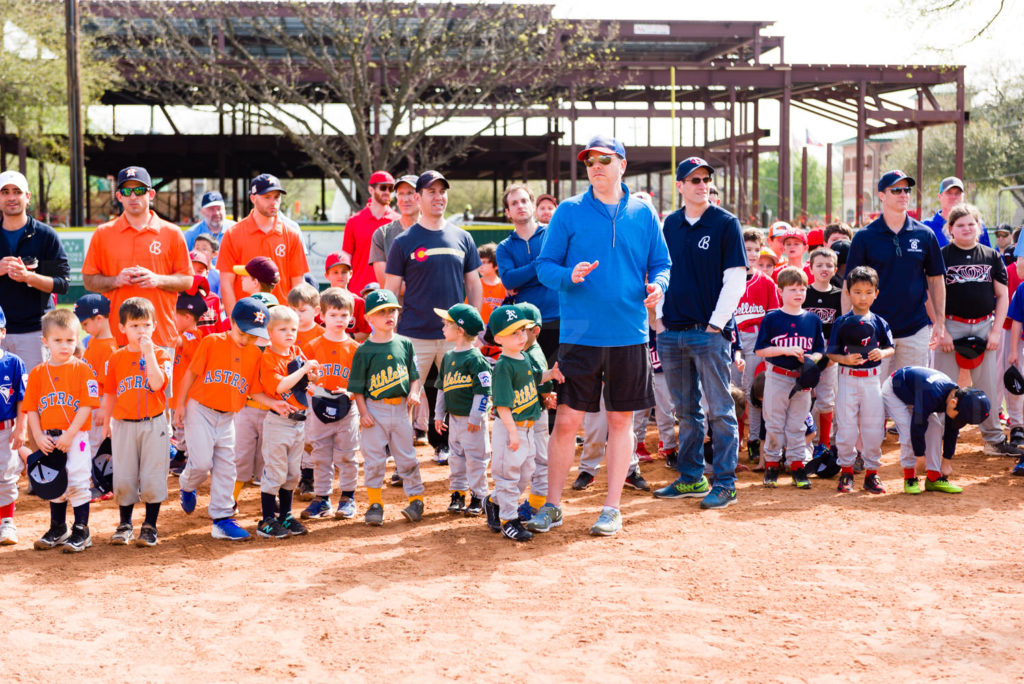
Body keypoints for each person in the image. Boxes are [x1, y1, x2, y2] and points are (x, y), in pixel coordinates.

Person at [530, 135, 669, 536]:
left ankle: (611, 508)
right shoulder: (569, 212)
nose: (596, 166)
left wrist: (660, 285)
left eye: (604, 159)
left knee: (620, 420)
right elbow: (545, 266)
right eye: (590, 160)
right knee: (567, 422)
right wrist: (566, 276)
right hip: (580, 335)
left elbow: (662, 263)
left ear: (622, 165)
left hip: (629, 333)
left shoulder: (643, 213)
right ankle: (552, 505)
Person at [651, 156, 745, 510]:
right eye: (693, 180)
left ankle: (726, 483)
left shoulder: (725, 223)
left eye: (705, 179)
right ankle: (692, 477)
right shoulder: (670, 224)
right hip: (672, 332)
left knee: (720, 410)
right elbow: (659, 272)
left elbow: (735, 279)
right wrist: (659, 320)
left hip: (708, 333)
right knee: (686, 411)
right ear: (679, 187)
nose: (701, 184)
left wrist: (716, 324)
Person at [384, 170, 483, 464]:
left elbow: (474, 283)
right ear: (418, 198)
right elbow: (391, 289)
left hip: (456, 337)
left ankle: (451, 450)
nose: (439, 197)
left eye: (442, 191)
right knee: (404, 400)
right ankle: (401, 459)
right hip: (414, 334)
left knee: (458, 396)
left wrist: (474, 328)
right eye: (431, 192)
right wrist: (391, 331)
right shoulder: (403, 241)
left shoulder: (462, 237)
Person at [173, 299, 278, 541]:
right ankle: (187, 484)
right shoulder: (212, 342)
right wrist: (180, 404)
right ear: (231, 322)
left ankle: (222, 519)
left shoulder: (255, 353)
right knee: (200, 464)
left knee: (226, 467)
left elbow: (254, 390)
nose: (246, 340)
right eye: (242, 332)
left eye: (253, 336)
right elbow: (191, 373)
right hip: (200, 410)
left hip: (229, 417)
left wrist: (274, 403)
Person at [932, 204, 1018, 456]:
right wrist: (941, 329)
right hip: (951, 324)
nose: (966, 228)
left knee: (989, 386)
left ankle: (993, 438)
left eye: (971, 224)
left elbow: (1002, 296)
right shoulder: (942, 255)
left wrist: (995, 331)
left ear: (979, 227)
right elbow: (931, 295)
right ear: (950, 229)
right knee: (943, 386)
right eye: (960, 225)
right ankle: (935, 438)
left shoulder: (991, 255)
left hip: (983, 325)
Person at [844, 170, 947, 376]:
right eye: (896, 190)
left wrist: (940, 322)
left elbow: (936, 279)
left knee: (911, 394)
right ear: (882, 196)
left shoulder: (925, 234)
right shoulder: (864, 237)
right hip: (873, 328)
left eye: (907, 190)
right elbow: (849, 286)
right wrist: (850, 325)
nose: (904, 194)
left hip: (915, 330)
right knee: (873, 395)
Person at [82, 166, 193, 349]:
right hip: (116, 339)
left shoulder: (172, 233)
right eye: (127, 191)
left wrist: (157, 279)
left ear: (151, 194)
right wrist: (116, 280)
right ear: (119, 196)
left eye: (139, 191)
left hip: (160, 336)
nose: (133, 197)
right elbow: (89, 280)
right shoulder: (103, 233)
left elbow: (187, 280)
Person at [347, 288, 426, 526]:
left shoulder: (405, 343)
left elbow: (414, 376)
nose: (388, 315)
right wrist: (363, 413)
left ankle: (416, 499)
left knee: (407, 457)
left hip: (401, 409)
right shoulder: (364, 350)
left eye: (392, 310)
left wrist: (414, 392)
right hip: (374, 409)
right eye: (381, 312)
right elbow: (357, 389)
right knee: (374, 459)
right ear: (369, 318)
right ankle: (374, 503)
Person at [24, 309, 101, 553]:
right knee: (54, 483)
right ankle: (58, 528)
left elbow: (87, 405)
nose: (65, 346)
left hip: (74, 436)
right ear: (45, 341)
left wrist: (69, 434)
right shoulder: (38, 373)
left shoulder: (82, 369)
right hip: (48, 435)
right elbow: (32, 409)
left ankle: (81, 530)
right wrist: (37, 436)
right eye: (57, 340)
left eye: (70, 340)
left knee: (78, 480)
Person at [484, 304, 562, 542]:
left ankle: (494, 501)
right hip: (511, 428)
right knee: (508, 476)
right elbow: (503, 407)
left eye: (522, 330)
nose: (520, 336)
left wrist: (552, 374)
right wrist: (512, 433)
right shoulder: (504, 367)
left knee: (525, 474)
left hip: (527, 429)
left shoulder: (525, 357)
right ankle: (509, 520)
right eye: (512, 332)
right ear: (498, 338)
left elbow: (536, 377)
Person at [100, 298, 173, 547]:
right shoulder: (117, 358)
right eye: (134, 325)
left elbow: (155, 384)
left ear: (154, 326)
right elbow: (110, 392)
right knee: (124, 476)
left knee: (153, 475)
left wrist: (149, 353)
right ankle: (125, 524)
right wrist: (104, 421)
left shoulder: (161, 354)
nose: (141, 331)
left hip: (154, 423)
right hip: (123, 424)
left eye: (146, 325)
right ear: (122, 328)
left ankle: (150, 525)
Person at [754, 267, 825, 489]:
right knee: (774, 423)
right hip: (777, 377)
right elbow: (761, 350)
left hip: (801, 379)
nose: (798, 293)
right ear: (780, 291)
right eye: (792, 289)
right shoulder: (772, 318)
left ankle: (797, 465)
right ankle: (772, 465)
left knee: (797, 424)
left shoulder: (812, 319)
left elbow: (819, 350)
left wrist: (810, 358)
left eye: (802, 289)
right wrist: (783, 351)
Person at [827, 266, 894, 494]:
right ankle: (846, 471)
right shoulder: (842, 322)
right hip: (847, 378)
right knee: (846, 426)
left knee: (873, 426)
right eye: (857, 291)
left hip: (872, 379)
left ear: (876, 293)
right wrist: (844, 358)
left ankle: (872, 473)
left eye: (868, 292)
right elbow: (831, 353)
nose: (862, 297)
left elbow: (890, 347)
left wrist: (882, 353)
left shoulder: (879, 321)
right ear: (848, 292)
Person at [299, 287, 361, 521]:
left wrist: (351, 392)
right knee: (320, 455)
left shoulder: (356, 349)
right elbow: (303, 378)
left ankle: (347, 498)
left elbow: (360, 382)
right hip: (318, 409)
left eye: (344, 315)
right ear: (322, 316)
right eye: (333, 315)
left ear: (351, 318)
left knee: (347, 455)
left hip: (347, 409)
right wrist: (312, 389)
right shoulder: (312, 346)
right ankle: (322, 498)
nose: (339, 320)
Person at [0, 170, 70, 369]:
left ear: (27, 197)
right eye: (5, 192)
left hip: (35, 332)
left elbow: (62, 284)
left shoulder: (45, 235)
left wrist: (28, 277)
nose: (11, 197)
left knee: (35, 396)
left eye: (17, 191)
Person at [882, 366, 990, 494]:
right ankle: (910, 477)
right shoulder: (932, 395)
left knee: (936, 428)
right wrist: (920, 456)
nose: (959, 421)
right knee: (908, 432)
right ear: (953, 403)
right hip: (896, 390)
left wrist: (947, 461)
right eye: (960, 417)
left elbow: (952, 430)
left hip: (916, 393)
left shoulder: (956, 397)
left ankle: (934, 477)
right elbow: (917, 427)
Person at [255, 306, 314, 539]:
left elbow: (304, 379)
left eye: (293, 329)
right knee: (275, 473)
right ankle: (267, 519)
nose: (290, 334)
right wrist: (304, 370)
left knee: (292, 474)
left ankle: (286, 515)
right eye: (282, 329)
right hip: (278, 423)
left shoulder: (296, 351)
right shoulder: (268, 357)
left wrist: (312, 374)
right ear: (269, 333)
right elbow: (280, 386)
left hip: (299, 423)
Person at [218, 174, 309, 316]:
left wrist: (294, 318)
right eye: (267, 197)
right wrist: (234, 320)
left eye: (276, 197)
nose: (273, 202)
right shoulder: (233, 234)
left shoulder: (291, 234)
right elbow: (226, 283)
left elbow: (298, 282)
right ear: (253, 198)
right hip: (246, 318)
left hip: (281, 318)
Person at [432, 303, 491, 515]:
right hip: (455, 420)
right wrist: (439, 414)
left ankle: (479, 496)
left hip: (472, 421)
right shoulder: (448, 357)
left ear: (461, 330)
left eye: (447, 324)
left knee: (476, 460)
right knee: (456, 459)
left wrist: (476, 417)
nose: (443, 328)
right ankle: (458, 493)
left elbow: (483, 392)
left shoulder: (476, 359)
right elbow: (442, 388)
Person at [495, 183, 560, 362]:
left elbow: (557, 271)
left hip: (559, 318)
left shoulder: (552, 234)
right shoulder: (504, 247)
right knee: (530, 383)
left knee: (561, 381)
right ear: (508, 212)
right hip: (524, 325)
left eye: (524, 201)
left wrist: (524, 279)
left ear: (532, 205)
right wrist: (541, 264)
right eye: (514, 203)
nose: (520, 206)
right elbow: (509, 280)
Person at [735, 228, 781, 464]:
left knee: (753, 392)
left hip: (755, 338)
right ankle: (735, 440)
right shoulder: (728, 279)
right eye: (746, 249)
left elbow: (772, 320)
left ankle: (754, 439)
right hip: (732, 339)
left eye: (755, 249)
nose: (751, 254)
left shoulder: (766, 283)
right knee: (732, 393)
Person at [804, 247, 842, 455]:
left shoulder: (838, 296)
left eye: (829, 265)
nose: (824, 269)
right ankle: (805, 440)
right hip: (805, 347)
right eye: (819, 265)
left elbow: (841, 328)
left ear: (835, 269)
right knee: (804, 394)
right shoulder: (804, 293)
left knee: (826, 396)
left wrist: (832, 355)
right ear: (810, 269)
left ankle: (823, 444)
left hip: (829, 348)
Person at [343, 170, 399, 295]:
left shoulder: (398, 222)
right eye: (383, 187)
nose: (387, 192)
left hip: (389, 293)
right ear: (371, 190)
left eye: (391, 188)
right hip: (358, 292)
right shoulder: (354, 222)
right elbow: (346, 259)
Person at [170, 291, 207, 475]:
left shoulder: (193, 335)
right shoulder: (183, 332)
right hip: (176, 391)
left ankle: (192, 459)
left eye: (174, 314)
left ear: (186, 317)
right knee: (179, 428)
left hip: (187, 394)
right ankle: (181, 453)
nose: (171, 318)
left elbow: (177, 342)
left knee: (188, 429)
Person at [0, 305, 27, 546]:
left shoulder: (13, 363)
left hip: (4, 431)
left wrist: (21, 428)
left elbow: (22, 399)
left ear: (3, 331)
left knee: (6, 476)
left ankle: (7, 522)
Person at [369, 174, 418, 284]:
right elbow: (385, 282)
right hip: (396, 301)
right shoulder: (382, 234)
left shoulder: (434, 232)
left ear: (421, 196)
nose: (405, 199)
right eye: (401, 194)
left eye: (410, 193)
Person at [921, 176, 992, 248]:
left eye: (957, 193)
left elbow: (987, 255)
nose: (953, 197)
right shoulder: (925, 226)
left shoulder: (976, 225)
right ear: (939, 196)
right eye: (949, 193)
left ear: (963, 196)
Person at [476, 243, 506, 325]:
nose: (480, 265)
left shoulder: (505, 286)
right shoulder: (475, 285)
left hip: (499, 330)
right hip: (479, 331)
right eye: (479, 261)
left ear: (496, 265)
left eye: (484, 262)